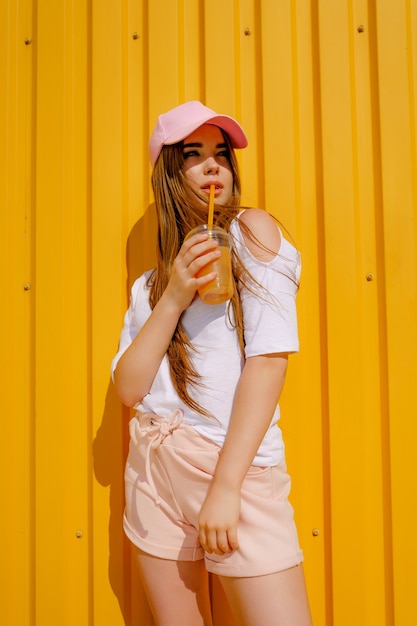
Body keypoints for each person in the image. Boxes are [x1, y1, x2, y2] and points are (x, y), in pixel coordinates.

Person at [112, 100, 312, 626]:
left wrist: (225, 486)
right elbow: (129, 390)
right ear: (169, 174)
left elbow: (269, 362)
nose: (212, 167)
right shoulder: (151, 285)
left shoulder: (252, 233)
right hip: (157, 464)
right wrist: (174, 294)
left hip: (235, 468)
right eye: (193, 154)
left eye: (220, 154)